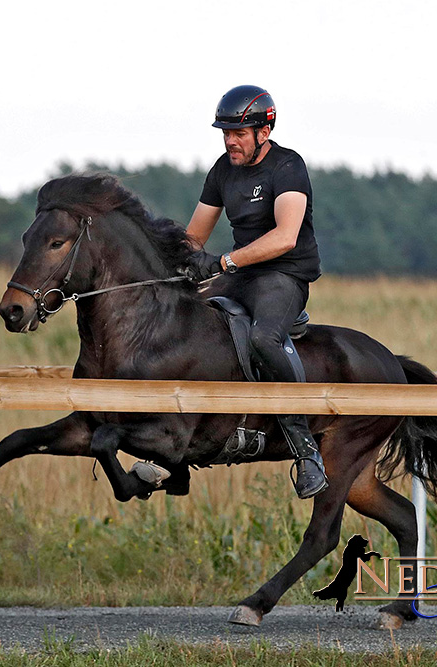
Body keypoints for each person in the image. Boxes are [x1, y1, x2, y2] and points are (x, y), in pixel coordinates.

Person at [183, 84, 328, 499]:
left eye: (239, 133)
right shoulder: (222, 170)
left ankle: (306, 451)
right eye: (226, 133)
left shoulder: (287, 167)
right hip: (242, 273)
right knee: (183, 317)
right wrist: (183, 263)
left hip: (283, 274)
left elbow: (285, 237)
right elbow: (195, 236)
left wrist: (225, 261)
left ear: (264, 132)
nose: (231, 141)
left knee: (264, 337)